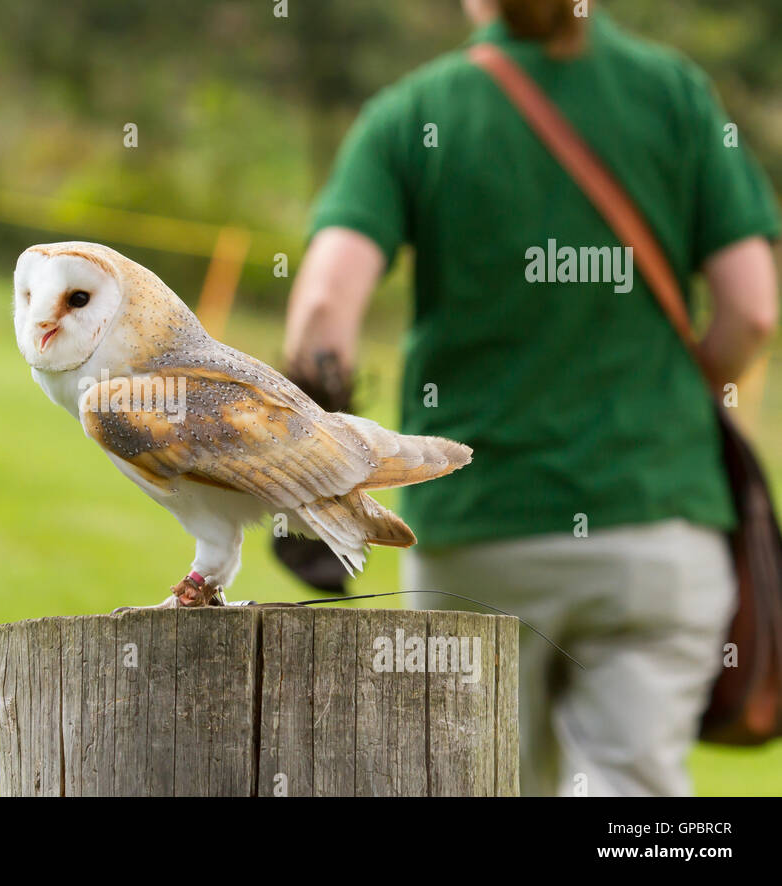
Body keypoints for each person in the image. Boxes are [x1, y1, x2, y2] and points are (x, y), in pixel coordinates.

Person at [281, 0, 780, 796]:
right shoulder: (674, 94)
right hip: (659, 522)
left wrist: (312, 481)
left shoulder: (413, 114)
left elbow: (319, 319)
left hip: (477, 532)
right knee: (634, 799)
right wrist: (682, 395)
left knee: (478, 782)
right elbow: (752, 308)